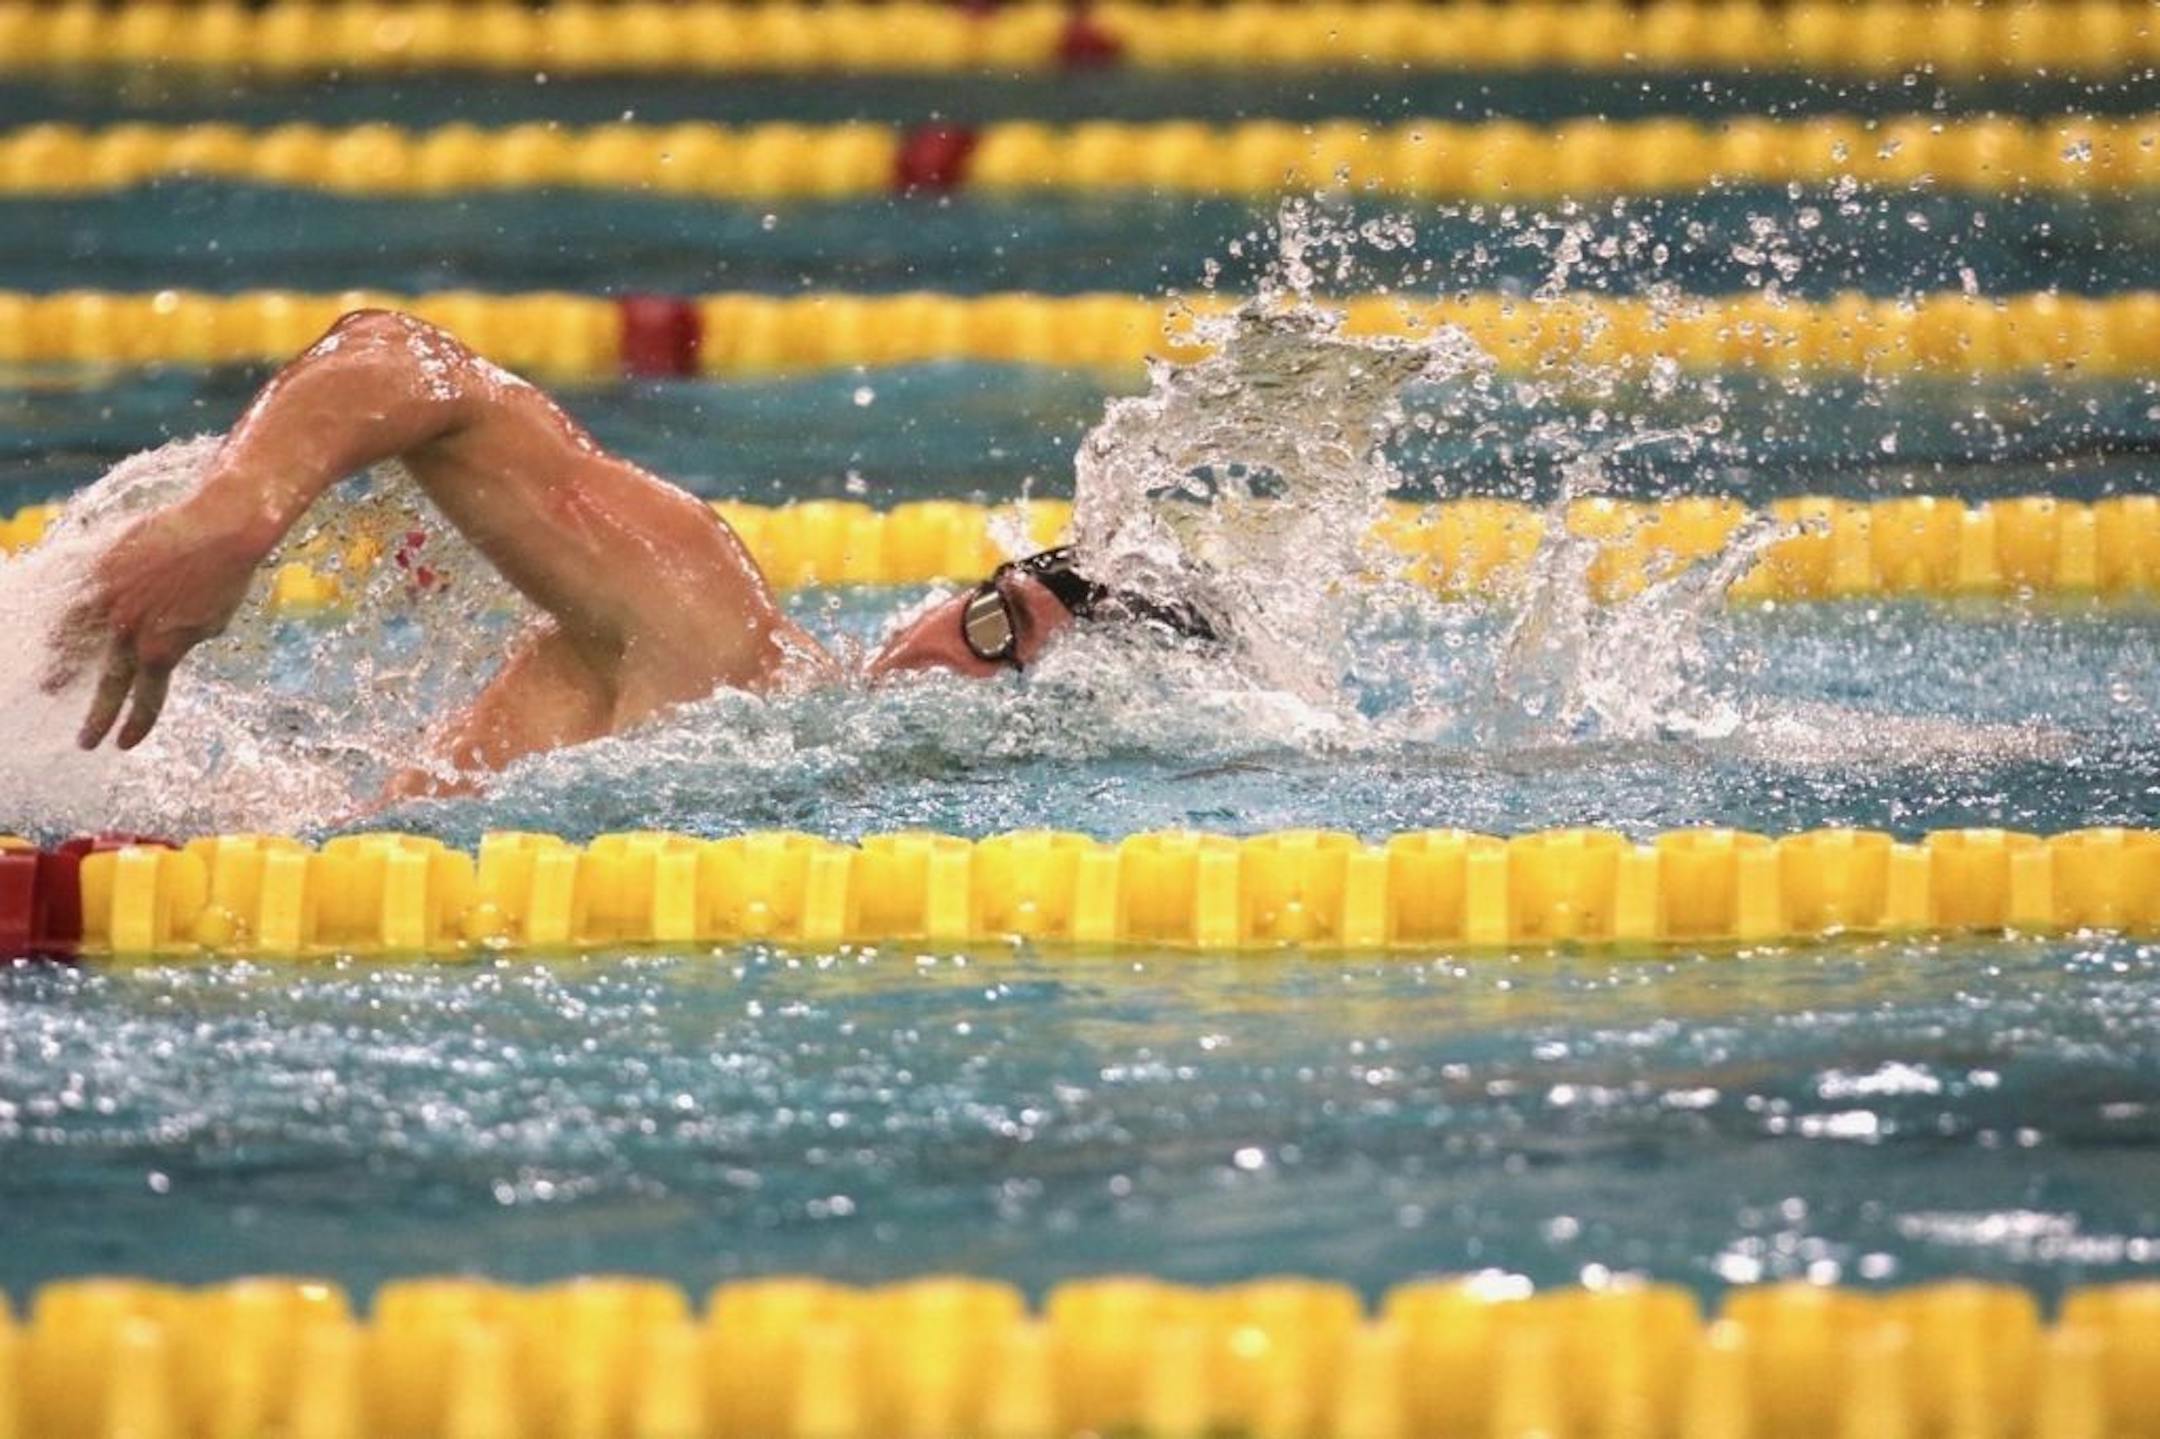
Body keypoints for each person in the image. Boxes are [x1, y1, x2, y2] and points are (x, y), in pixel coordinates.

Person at [44, 309, 1213, 797]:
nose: (959, 668)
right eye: (989, 619)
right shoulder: (719, 643)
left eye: (1012, 675)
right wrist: (238, 513)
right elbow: (411, 362)